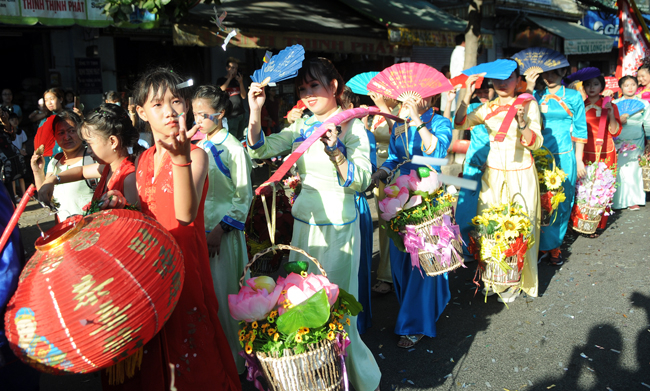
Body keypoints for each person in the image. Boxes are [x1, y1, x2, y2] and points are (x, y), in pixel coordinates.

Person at [246, 57, 381, 391]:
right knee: (301, 301)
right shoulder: (302, 125)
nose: (307, 94)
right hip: (304, 223)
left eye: (314, 86)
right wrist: (255, 109)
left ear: (334, 86)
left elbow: (361, 180)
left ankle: (352, 378)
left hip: (338, 226)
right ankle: (315, 376)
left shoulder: (353, 125)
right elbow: (259, 149)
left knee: (335, 306)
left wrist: (336, 150)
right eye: (303, 88)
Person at [109, 67, 241, 390]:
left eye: (175, 101)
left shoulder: (196, 155)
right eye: (157, 105)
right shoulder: (141, 162)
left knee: (193, 354)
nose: (169, 111)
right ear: (140, 112)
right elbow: (135, 218)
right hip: (151, 274)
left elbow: (185, 215)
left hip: (183, 269)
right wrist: (115, 204)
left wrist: (180, 159)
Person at [455, 62, 544, 303]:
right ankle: (494, 277)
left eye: (508, 78)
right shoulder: (488, 108)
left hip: (522, 172)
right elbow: (460, 122)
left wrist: (523, 123)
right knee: (489, 224)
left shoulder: (528, 103)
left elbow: (536, 143)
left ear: (518, 79)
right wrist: (466, 93)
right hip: (492, 175)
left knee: (523, 225)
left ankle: (518, 279)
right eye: (497, 79)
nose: (503, 83)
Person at [370, 91, 452, 349]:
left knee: (424, 262)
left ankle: (415, 323)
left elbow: (436, 154)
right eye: (409, 96)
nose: (412, 100)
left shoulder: (440, 123)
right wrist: (382, 172)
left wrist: (417, 120)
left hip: (428, 196)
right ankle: (419, 307)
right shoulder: (400, 126)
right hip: (400, 196)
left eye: (419, 96)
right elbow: (396, 158)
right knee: (401, 260)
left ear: (430, 99)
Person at [192, 85, 253, 374]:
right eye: (195, 115)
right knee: (206, 296)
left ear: (222, 113)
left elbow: (244, 196)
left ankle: (236, 359)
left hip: (222, 235)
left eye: (204, 114)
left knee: (226, 293)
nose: (198, 120)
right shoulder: (198, 144)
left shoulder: (234, 148)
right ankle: (214, 355)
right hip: (199, 230)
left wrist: (221, 228)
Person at [526, 67, 588, 266]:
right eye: (546, 73)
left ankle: (554, 246)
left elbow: (580, 128)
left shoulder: (573, 96)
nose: (549, 76)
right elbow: (524, 119)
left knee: (561, 201)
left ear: (563, 72)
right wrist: (529, 86)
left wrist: (579, 160)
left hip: (565, 155)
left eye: (554, 72)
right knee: (539, 201)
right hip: (538, 154)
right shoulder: (535, 95)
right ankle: (538, 245)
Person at [35, 103, 139, 209]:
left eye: (90, 143)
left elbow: (134, 221)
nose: (88, 150)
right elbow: (81, 171)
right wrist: (52, 179)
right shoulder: (108, 168)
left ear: (112, 141)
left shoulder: (129, 178)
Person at [341, 86, 373, 334]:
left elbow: (366, 176)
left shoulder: (361, 133)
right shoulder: (314, 128)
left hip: (354, 203)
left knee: (356, 265)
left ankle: (357, 324)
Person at [572, 75, 621, 236]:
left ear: (602, 86)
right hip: (584, 151)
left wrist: (611, 114)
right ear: (583, 88)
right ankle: (580, 220)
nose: (592, 88)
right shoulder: (579, 106)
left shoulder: (610, 105)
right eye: (588, 84)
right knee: (583, 187)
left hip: (605, 152)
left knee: (602, 188)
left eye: (595, 84)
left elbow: (614, 131)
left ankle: (597, 223)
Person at [30, 110, 95, 222]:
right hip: (65, 231)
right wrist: (38, 172)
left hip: (91, 230)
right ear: (54, 136)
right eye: (61, 133)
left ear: (81, 131)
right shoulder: (54, 163)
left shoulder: (93, 158)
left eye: (72, 131)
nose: (67, 137)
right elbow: (46, 200)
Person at [451, 85, 492, 260]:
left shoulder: (500, 108)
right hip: (473, 164)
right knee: (466, 207)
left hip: (495, 165)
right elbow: (457, 122)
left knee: (489, 207)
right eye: (479, 93)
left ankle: (489, 246)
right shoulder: (473, 109)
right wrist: (465, 96)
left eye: (486, 92)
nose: (483, 96)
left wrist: (491, 161)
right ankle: (465, 248)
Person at [367, 91, 399, 294]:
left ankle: (393, 273)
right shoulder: (377, 113)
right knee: (384, 222)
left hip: (397, 168)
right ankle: (386, 272)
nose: (380, 95)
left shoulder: (403, 110)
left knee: (396, 221)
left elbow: (399, 135)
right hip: (380, 170)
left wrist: (385, 109)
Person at [613, 76, 648, 210]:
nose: (630, 88)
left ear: (637, 86)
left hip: (637, 138)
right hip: (619, 139)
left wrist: (649, 140)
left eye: (633, 84)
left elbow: (648, 122)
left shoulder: (644, 104)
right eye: (626, 85)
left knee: (635, 170)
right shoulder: (614, 104)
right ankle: (619, 201)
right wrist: (618, 121)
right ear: (621, 88)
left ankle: (634, 199)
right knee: (619, 170)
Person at [218, 58, 247, 140]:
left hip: (241, 113)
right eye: (232, 68)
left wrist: (241, 82)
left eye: (236, 68)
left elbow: (244, 96)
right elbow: (220, 90)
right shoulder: (221, 80)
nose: (234, 70)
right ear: (227, 68)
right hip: (231, 114)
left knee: (241, 138)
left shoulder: (237, 80)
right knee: (232, 137)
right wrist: (229, 79)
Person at [7, 113, 28, 200]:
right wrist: (19, 151)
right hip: (12, 156)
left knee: (21, 175)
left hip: (20, 156)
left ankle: (24, 195)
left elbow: (24, 143)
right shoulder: (8, 133)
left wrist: (23, 150)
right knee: (13, 177)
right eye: (12, 120)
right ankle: (15, 195)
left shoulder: (21, 132)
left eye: (16, 119)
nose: (14, 121)